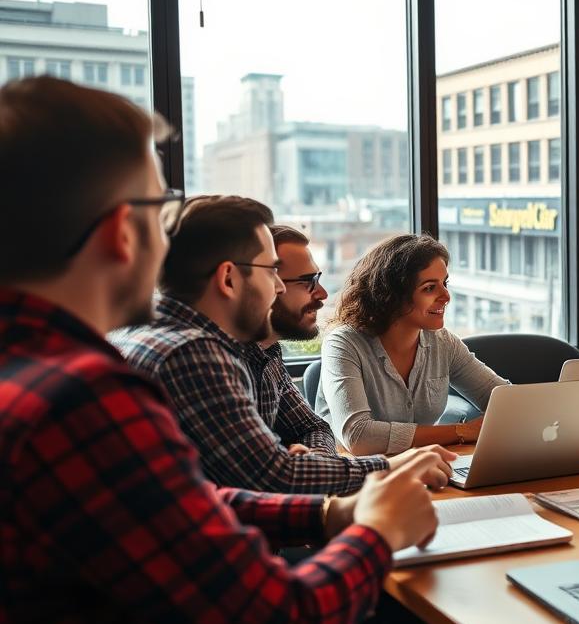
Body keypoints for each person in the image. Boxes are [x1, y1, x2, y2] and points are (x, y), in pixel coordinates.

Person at [0, 76, 443, 624]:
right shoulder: (85, 398)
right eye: (161, 211)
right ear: (119, 233)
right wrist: (379, 530)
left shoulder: (30, 368)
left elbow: (180, 508)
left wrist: (329, 511)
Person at [112, 198, 454, 494]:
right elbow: (272, 478)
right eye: (271, 273)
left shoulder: (250, 348)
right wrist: (391, 469)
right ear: (228, 279)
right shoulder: (190, 353)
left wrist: (312, 465)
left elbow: (312, 431)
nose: (276, 287)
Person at [316, 233, 507, 455]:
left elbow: (502, 398)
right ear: (392, 295)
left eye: (444, 284)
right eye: (429, 288)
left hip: (424, 468)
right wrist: (462, 431)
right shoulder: (343, 344)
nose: (446, 296)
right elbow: (359, 437)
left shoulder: (443, 342)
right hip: (358, 477)